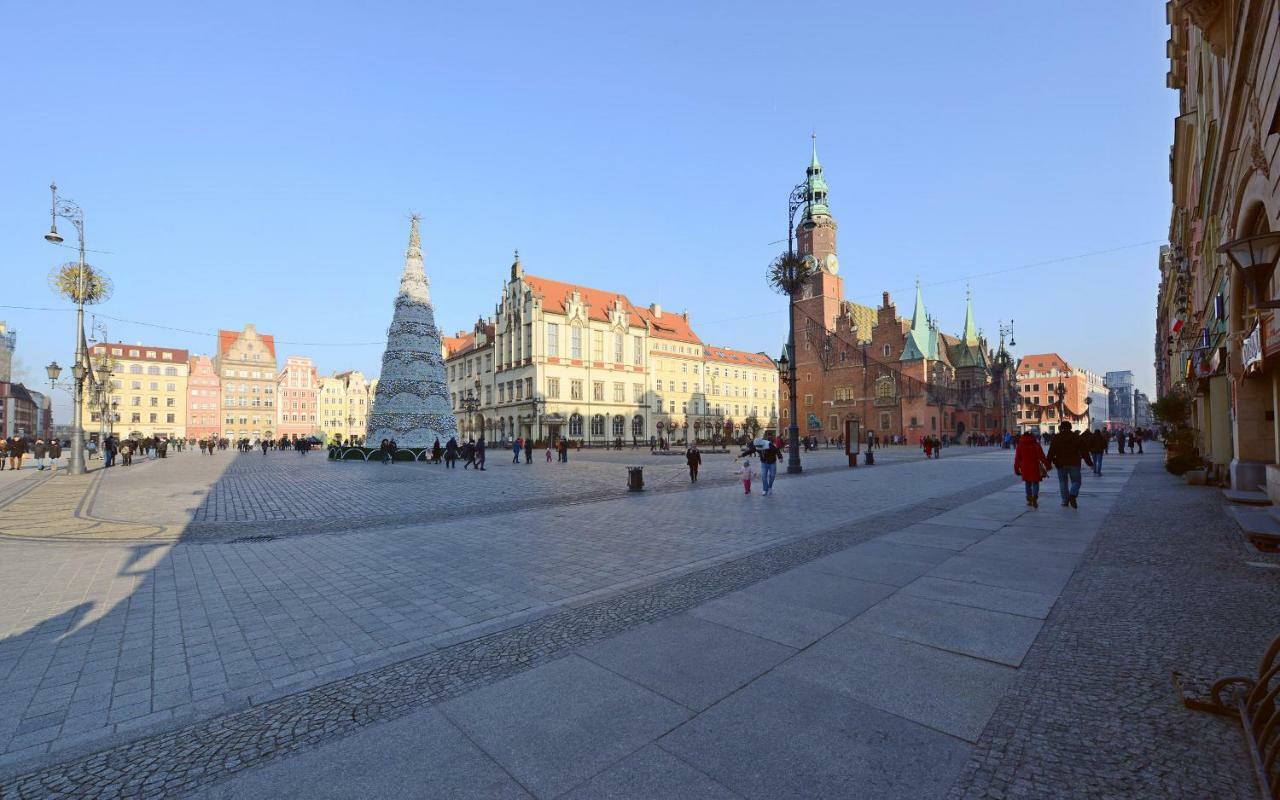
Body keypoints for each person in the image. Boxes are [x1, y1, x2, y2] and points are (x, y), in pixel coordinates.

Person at [1046, 420, 1093, 508]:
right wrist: (1089, 463)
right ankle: (1072, 494)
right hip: (1074, 462)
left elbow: (1051, 452)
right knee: (1076, 482)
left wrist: (1047, 463)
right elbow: (1084, 452)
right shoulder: (1077, 437)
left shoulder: (1057, 438)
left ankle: (1065, 501)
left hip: (1060, 463)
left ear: (1061, 428)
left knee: (1063, 482)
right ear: (1070, 427)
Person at [1013, 430, 1050, 508]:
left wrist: (1016, 469)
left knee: (1028, 483)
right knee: (1035, 482)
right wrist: (1047, 465)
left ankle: (1029, 499)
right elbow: (1042, 457)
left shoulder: (1020, 445)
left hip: (1025, 467)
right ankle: (1035, 499)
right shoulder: (1036, 445)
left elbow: (1017, 459)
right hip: (1034, 466)